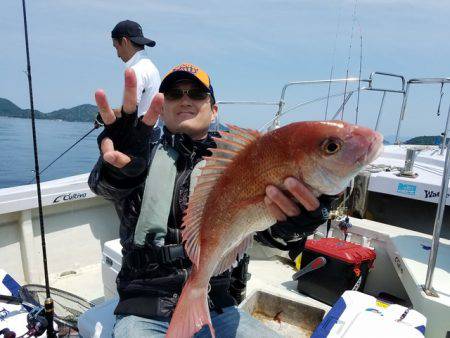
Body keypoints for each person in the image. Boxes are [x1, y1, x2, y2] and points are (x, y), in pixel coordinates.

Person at [89, 63, 337, 337]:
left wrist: (295, 223)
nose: (185, 99)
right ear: (161, 106)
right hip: (146, 308)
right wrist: (117, 170)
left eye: (196, 93)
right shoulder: (140, 155)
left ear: (214, 109)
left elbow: (269, 235)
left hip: (216, 307)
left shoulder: (242, 165)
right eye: (173, 93)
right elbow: (106, 187)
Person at [111, 20, 161, 117]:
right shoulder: (151, 67)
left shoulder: (136, 70)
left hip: (139, 130)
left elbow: (128, 111)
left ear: (125, 42)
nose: (118, 55)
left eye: (116, 47)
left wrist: (103, 116)